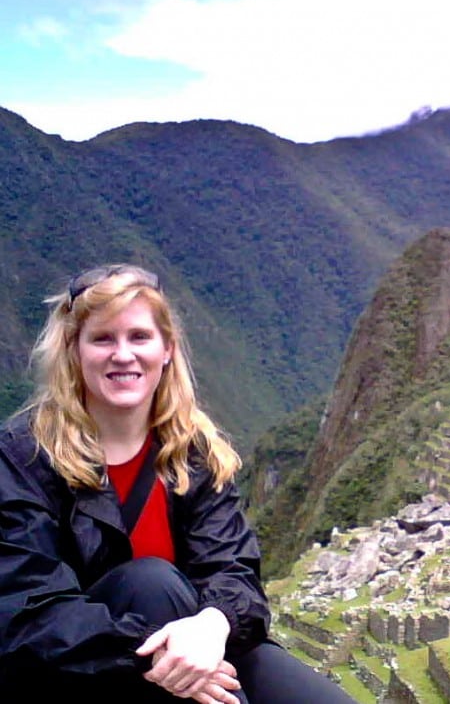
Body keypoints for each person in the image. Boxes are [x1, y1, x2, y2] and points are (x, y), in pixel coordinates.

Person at [0, 264, 356, 703]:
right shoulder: (22, 459)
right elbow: (30, 613)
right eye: (103, 338)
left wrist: (211, 624)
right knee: (150, 584)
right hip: (77, 668)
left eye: (139, 337)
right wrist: (167, 648)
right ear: (74, 351)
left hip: (199, 647)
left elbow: (233, 571)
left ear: (167, 348)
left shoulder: (194, 454)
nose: (123, 354)